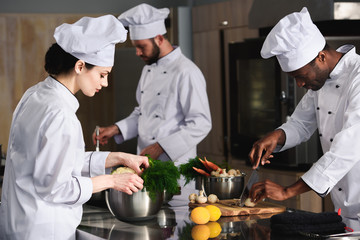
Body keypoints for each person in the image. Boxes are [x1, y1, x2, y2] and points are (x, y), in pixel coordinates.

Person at [0, 15, 149, 240]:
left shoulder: (35, 95)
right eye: (102, 74)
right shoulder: (61, 115)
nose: (105, 83)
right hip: (43, 230)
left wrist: (119, 158)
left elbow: (56, 162)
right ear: (80, 66)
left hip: (19, 224)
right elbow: (57, 187)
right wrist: (111, 181)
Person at [93, 4, 212, 206]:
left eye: (141, 46)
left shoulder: (187, 72)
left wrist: (160, 146)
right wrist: (116, 129)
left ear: (159, 38)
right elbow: (143, 112)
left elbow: (201, 123)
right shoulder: (148, 70)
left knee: (176, 224)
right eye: (136, 47)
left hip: (175, 168)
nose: (138, 53)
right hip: (147, 165)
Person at [248, 7, 360, 220]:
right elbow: (301, 123)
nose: (299, 84)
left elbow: (348, 148)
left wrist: (287, 191)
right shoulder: (321, 79)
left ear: (321, 57)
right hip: (346, 212)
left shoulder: (358, 78)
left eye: (300, 76)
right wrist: (277, 136)